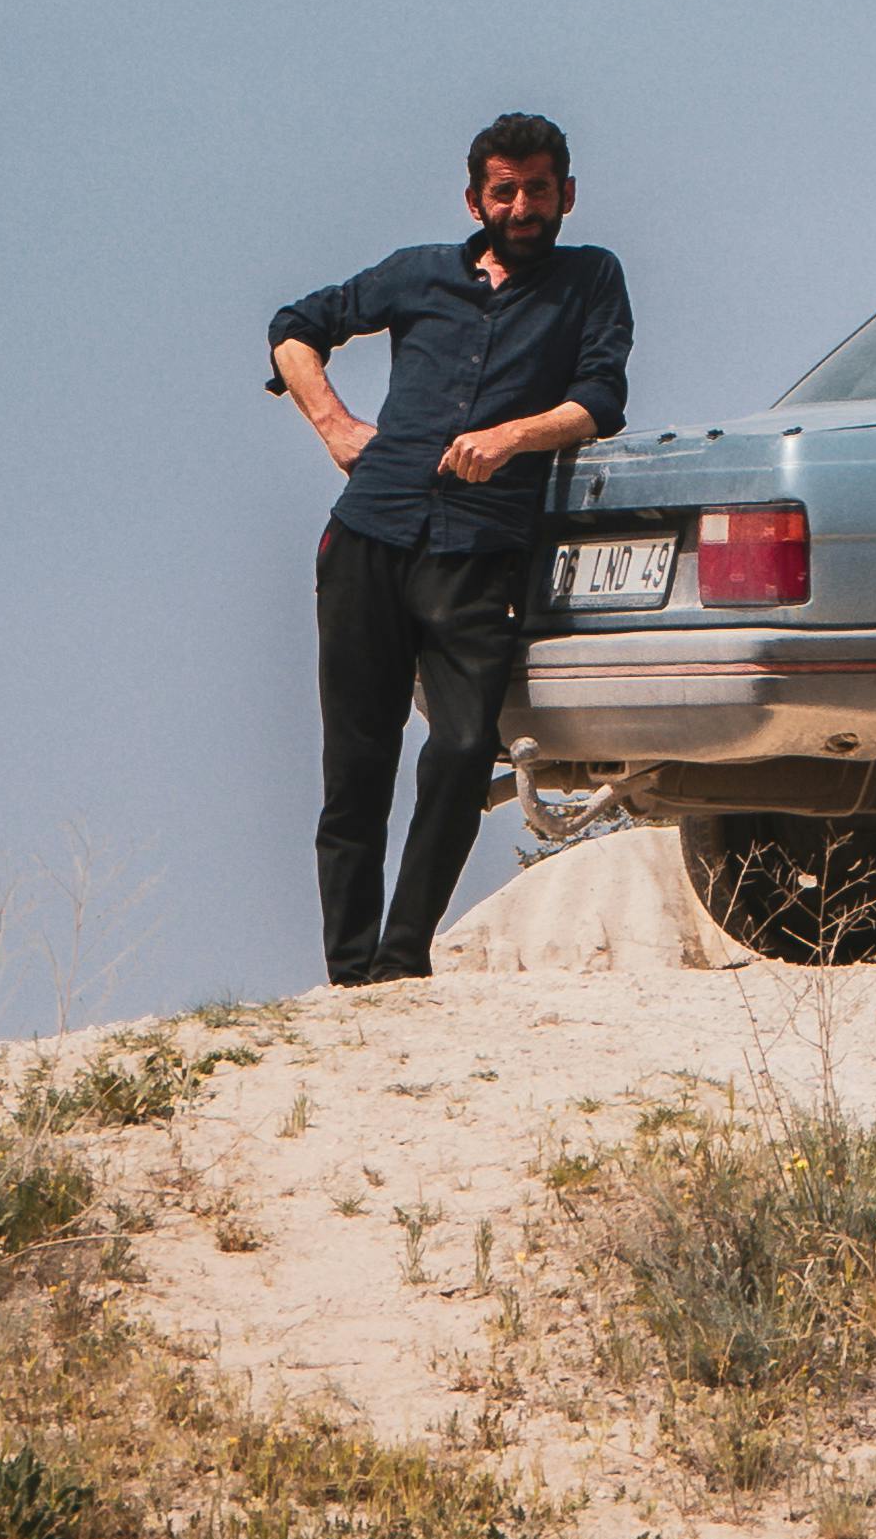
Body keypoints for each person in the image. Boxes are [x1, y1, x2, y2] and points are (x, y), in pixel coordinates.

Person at [269, 113, 634, 987]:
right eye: (504, 190)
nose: (522, 205)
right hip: (369, 536)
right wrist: (334, 424)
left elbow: (600, 397)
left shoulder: (591, 279)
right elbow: (294, 326)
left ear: (567, 195)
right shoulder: (418, 273)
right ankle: (352, 975)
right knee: (355, 764)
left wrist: (511, 436)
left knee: (466, 749)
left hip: (480, 550)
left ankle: (404, 956)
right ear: (475, 198)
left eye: (538, 189)